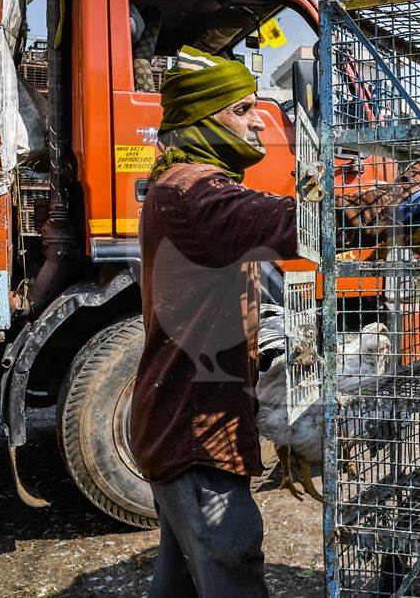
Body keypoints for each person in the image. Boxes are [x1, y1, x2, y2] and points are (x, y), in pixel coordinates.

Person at [131, 45, 297, 597]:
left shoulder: (178, 184)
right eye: (243, 108)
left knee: (180, 578)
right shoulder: (196, 191)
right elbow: (293, 224)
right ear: (205, 117)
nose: (259, 122)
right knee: (231, 561)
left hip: (176, 418)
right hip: (196, 431)